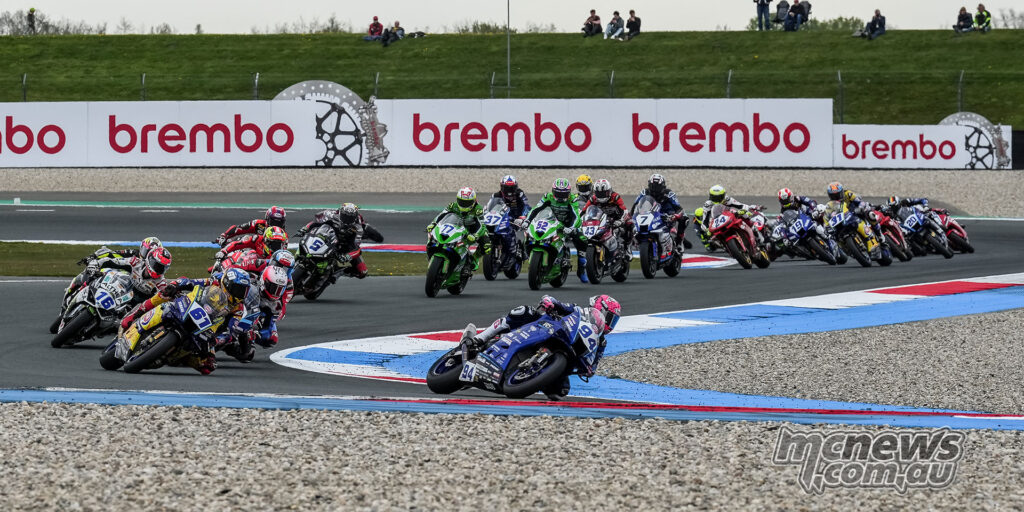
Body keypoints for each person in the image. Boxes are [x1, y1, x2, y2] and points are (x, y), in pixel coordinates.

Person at [471, 294, 622, 400]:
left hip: (565, 354)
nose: (610, 324)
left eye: (614, 321)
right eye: (610, 318)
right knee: (523, 311)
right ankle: (481, 337)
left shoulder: (601, 342)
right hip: (546, 329)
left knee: (561, 391)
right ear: (599, 308)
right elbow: (559, 304)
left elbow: (594, 364)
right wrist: (550, 302)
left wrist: (589, 370)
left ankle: (529, 377)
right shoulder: (577, 311)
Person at [119, 268, 252, 375]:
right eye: (239, 289)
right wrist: (176, 284)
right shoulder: (215, 281)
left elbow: (231, 331)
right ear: (227, 284)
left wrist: (217, 340)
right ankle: (137, 314)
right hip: (189, 306)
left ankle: (179, 357)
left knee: (208, 366)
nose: (241, 294)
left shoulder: (238, 309)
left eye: (244, 291)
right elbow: (191, 282)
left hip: (207, 331)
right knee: (166, 294)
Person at [52, 241, 171, 333]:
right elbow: (113, 260)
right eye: (156, 265)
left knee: (127, 325)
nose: (158, 269)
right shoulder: (135, 261)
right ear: (149, 259)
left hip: (131, 306)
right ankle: (81, 291)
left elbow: (163, 299)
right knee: (92, 275)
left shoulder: (161, 283)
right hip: (119, 287)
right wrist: (96, 263)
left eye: (162, 268)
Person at [525, 178, 586, 282]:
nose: (560, 197)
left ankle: (581, 269)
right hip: (552, 222)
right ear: (553, 191)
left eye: (563, 194)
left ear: (569, 193)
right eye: (558, 193)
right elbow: (536, 209)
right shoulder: (547, 197)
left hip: (568, 225)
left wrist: (571, 227)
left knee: (581, 239)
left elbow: (576, 216)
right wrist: (527, 221)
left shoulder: (573, 200)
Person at [296, 203, 375, 281]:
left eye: (350, 217)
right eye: (345, 216)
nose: (347, 219)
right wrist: (305, 228)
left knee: (363, 272)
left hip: (343, 247)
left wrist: (347, 256)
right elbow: (315, 222)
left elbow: (356, 248)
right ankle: (297, 258)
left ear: (355, 217)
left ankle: (337, 273)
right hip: (326, 237)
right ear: (340, 212)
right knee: (307, 240)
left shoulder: (358, 228)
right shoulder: (330, 214)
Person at [427, 188, 490, 279]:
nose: (464, 205)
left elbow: (482, 225)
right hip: (456, 226)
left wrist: (476, 235)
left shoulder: (478, 209)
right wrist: (433, 224)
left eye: (467, 203)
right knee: (435, 237)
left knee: (487, 245)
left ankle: (475, 258)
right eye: (461, 202)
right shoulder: (453, 205)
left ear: (473, 201)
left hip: (473, 229)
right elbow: (441, 215)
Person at [632, 174, 689, 252]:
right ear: (649, 185)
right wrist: (632, 216)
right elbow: (635, 205)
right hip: (650, 213)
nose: (655, 189)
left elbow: (679, 208)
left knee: (685, 218)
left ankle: (679, 241)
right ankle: (630, 244)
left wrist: (675, 215)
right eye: (653, 186)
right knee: (629, 224)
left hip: (666, 213)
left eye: (657, 186)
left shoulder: (669, 194)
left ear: (663, 186)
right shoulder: (644, 192)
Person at [491, 175, 531, 261]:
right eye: (506, 188)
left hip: (517, 218)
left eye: (512, 188)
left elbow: (526, 206)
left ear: (516, 188)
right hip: (502, 218)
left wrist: (523, 216)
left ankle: (523, 249)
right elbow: (490, 208)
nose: (509, 192)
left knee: (528, 231)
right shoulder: (496, 195)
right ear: (502, 187)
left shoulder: (520, 194)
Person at [584, 179, 632, 248]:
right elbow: (584, 211)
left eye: (603, 193)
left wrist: (621, 220)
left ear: (609, 191)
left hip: (616, 218)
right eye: (599, 193)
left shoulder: (615, 197)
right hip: (601, 220)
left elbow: (625, 210)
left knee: (630, 222)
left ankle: (627, 246)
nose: (601, 196)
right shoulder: (593, 198)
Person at [215, 206, 286, 246]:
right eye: (273, 221)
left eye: (279, 223)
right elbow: (239, 228)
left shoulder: (283, 235)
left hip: (267, 257)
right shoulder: (259, 224)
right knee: (244, 238)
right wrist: (224, 235)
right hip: (252, 251)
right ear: (267, 218)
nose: (275, 225)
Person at [218, 226, 288, 260]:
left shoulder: (284, 252)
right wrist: (224, 251)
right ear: (266, 241)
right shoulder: (257, 239)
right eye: (274, 243)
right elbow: (237, 243)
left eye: (279, 244)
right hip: (253, 266)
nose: (276, 247)